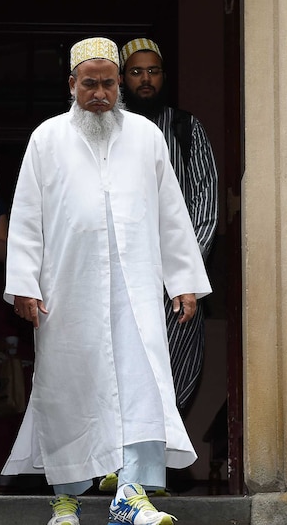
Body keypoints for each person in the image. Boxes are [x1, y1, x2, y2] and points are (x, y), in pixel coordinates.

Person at [2, 37, 210, 525]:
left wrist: (183, 280)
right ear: (71, 84)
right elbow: (27, 217)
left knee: (142, 382)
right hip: (66, 289)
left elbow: (171, 215)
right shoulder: (47, 138)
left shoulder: (145, 136)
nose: (100, 93)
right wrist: (25, 283)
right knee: (67, 385)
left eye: (109, 83)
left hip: (135, 287)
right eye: (89, 83)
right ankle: (66, 501)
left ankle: (131, 495)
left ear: (120, 84)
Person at [120, 37, 219, 413]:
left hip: (176, 283)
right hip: (122, 276)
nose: (146, 79)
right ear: (122, 77)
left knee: (173, 376)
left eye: (153, 71)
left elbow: (206, 205)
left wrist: (182, 273)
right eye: (136, 72)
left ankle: (153, 466)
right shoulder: (110, 128)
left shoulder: (185, 128)